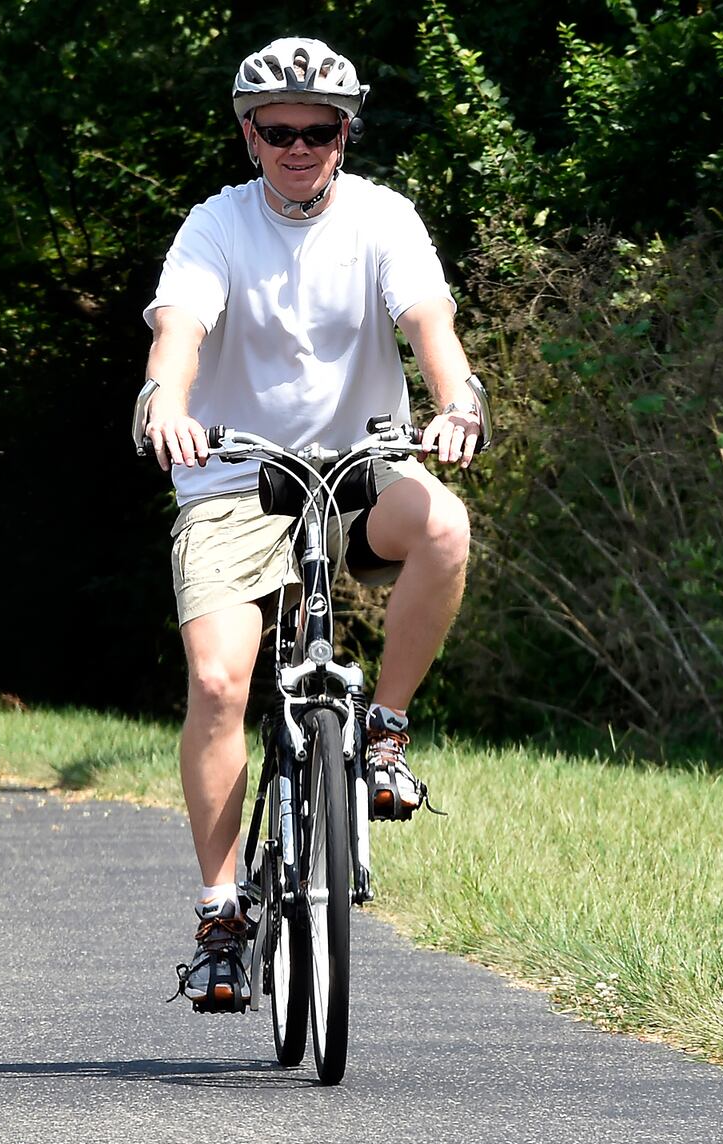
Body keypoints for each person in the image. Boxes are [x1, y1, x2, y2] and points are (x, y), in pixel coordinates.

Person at [139, 37, 484, 1011]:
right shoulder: (215, 227)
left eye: (318, 130)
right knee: (217, 681)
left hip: (355, 474)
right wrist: (166, 399)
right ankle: (219, 914)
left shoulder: (383, 219)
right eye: (278, 130)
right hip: (235, 485)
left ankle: (381, 734)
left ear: (345, 132)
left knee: (445, 528)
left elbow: (430, 328)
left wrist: (455, 400)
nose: (298, 147)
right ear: (250, 134)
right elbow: (179, 334)